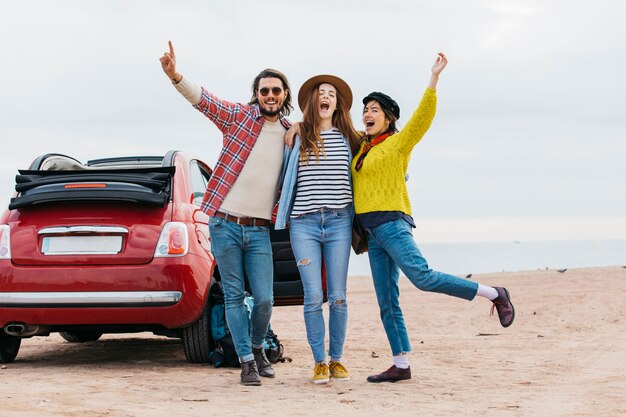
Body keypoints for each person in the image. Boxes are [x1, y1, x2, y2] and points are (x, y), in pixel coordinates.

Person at [351, 53, 515, 383]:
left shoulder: (398, 143)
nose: (368, 114)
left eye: (375, 110)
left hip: (393, 225)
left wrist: (434, 79)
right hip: (371, 234)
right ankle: (401, 364)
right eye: (365, 109)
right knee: (387, 301)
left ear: (389, 118)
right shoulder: (360, 149)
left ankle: (494, 293)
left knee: (423, 277)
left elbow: (422, 119)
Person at [159, 41, 292, 386]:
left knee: (264, 298)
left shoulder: (292, 134)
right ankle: (247, 361)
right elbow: (204, 100)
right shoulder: (238, 118)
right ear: (257, 95)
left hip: (260, 230)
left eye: (276, 90)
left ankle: (259, 347)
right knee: (233, 294)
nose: (270, 95)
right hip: (224, 224)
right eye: (264, 90)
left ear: (284, 94)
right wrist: (176, 76)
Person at [275, 75, 360, 384]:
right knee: (312, 296)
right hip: (304, 225)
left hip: (339, 223)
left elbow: (377, 161)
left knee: (338, 296)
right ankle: (319, 362)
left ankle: (337, 360)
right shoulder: (298, 137)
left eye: (332, 94)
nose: (326, 97)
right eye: (321, 94)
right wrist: (297, 125)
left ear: (337, 104)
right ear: (313, 102)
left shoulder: (350, 138)